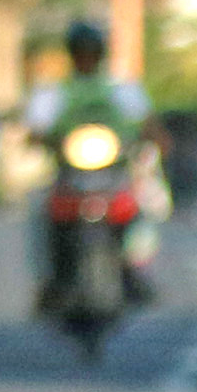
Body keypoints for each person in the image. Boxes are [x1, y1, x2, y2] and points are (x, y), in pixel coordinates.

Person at [27, 21, 165, 311]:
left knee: (142, 209)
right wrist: (40, 139)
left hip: (113, 175)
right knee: (41, 212)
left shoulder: (122, 89)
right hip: (69, 176)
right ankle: (54, 279)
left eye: (91, 52)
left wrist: (152, 136)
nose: (86, 57)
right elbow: (36, 128)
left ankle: (133, 270)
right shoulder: (54, 92)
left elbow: (147, 123)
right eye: (81, 52)